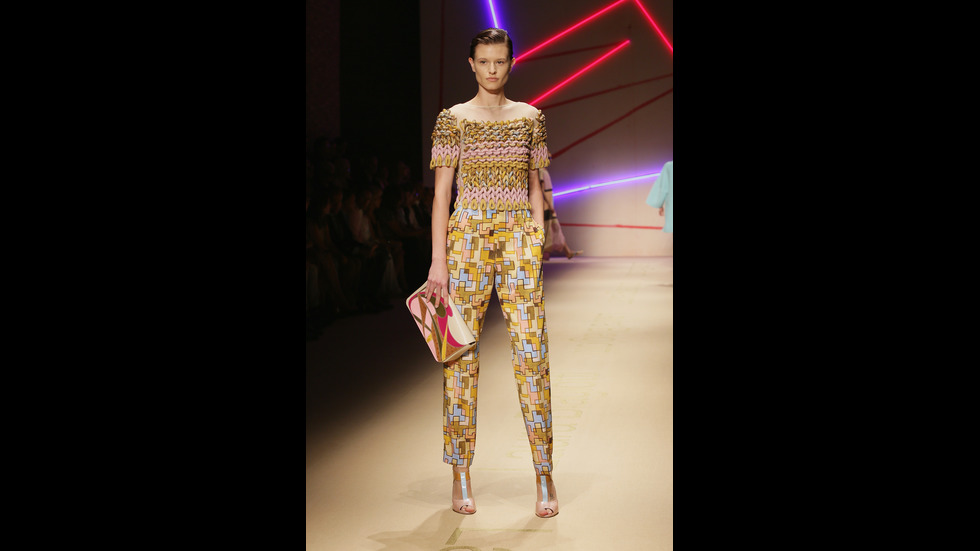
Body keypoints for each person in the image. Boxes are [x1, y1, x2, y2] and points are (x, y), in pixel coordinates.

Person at [425, 28, 558, 518]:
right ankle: (460, 471)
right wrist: (438, 260)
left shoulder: (530, 118)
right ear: (471, 64)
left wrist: (537, 236)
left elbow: (535, 183)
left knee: (532, 353)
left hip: (519, 238)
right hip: (466, 241)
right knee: (459, 355)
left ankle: (544, 471)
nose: (492, 70)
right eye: (484, 61)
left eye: (499, 61)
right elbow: (442, 195)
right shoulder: (453, 119)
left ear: (511, 62)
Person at [538, 167, 583, 260]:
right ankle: (544, 253)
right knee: (548, 229)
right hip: (545, 205)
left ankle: (567, 251)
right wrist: (549, 205)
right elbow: (542, 189)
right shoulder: (541, 171)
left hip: (548, 204)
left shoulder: (543, 171)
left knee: (555, 227)